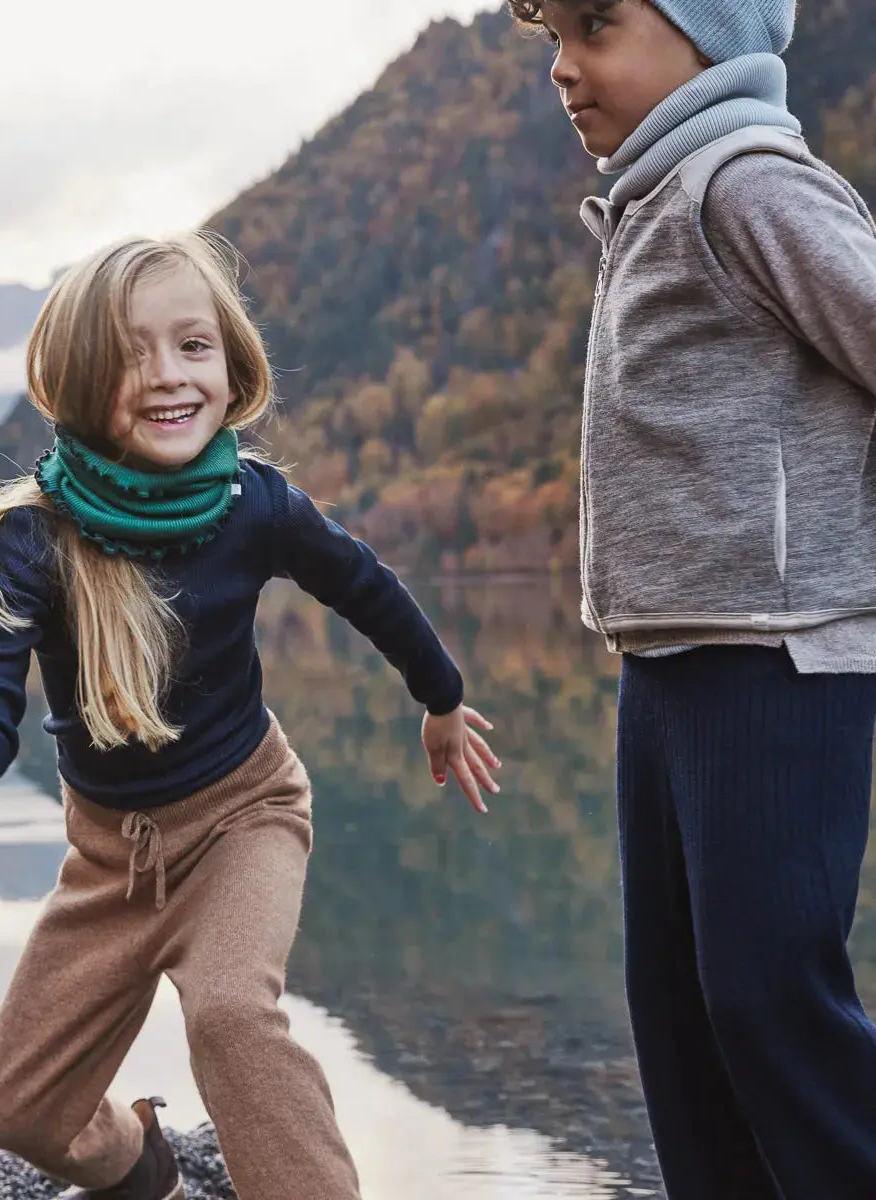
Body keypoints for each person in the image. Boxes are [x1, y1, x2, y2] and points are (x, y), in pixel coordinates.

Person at [0, 230, 501, 1200]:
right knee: (16, 1108)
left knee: (229, 1014)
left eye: (193, 345)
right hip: (109, 860)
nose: (168, 376)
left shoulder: (255, 504)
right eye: (131, 353)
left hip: (244, 819)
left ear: (232, 362)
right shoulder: (33, 537)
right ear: (80, 377)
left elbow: (364, 586)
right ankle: (141, 1168)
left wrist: (443, 698)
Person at [508, 1, 876, 1196]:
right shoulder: (651, 200)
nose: (566, 68)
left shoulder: (749, 186)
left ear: (711, 32)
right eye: (553, 36)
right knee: (681, 1016)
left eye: (597, 25)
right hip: (665, 665)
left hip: (779, 661)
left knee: (769, 998)